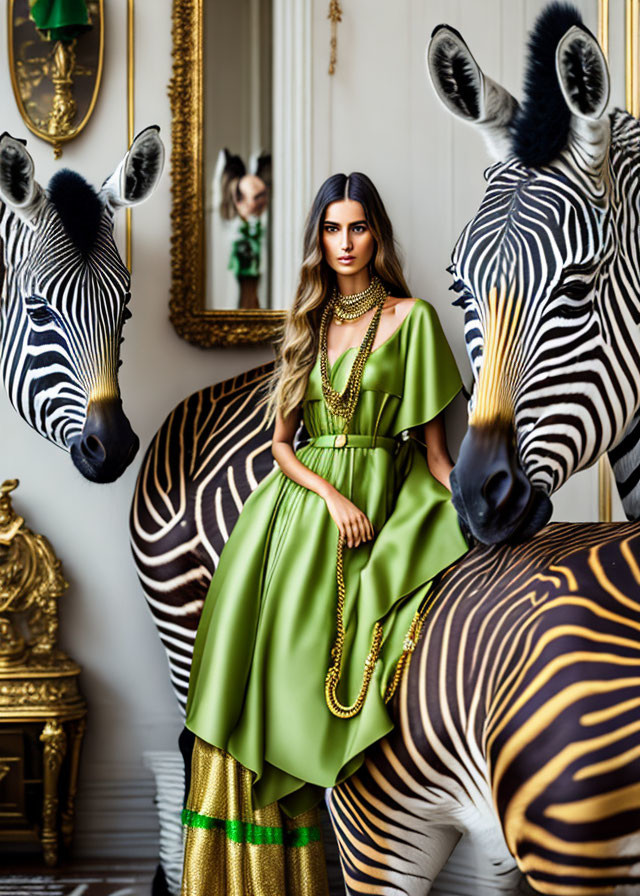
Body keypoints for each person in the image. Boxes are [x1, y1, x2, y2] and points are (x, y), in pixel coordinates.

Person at [181, 172, 469, 895]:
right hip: (298, 513)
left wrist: (478, 515)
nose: (345, 243)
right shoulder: (305, 325)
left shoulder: (413, 320)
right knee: (263, 680)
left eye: (359, 227)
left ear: (378, 235)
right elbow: (281, 444)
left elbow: (436, 456)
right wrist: (331, 497)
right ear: (319, 238)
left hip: (386, 494)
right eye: (333, 229)